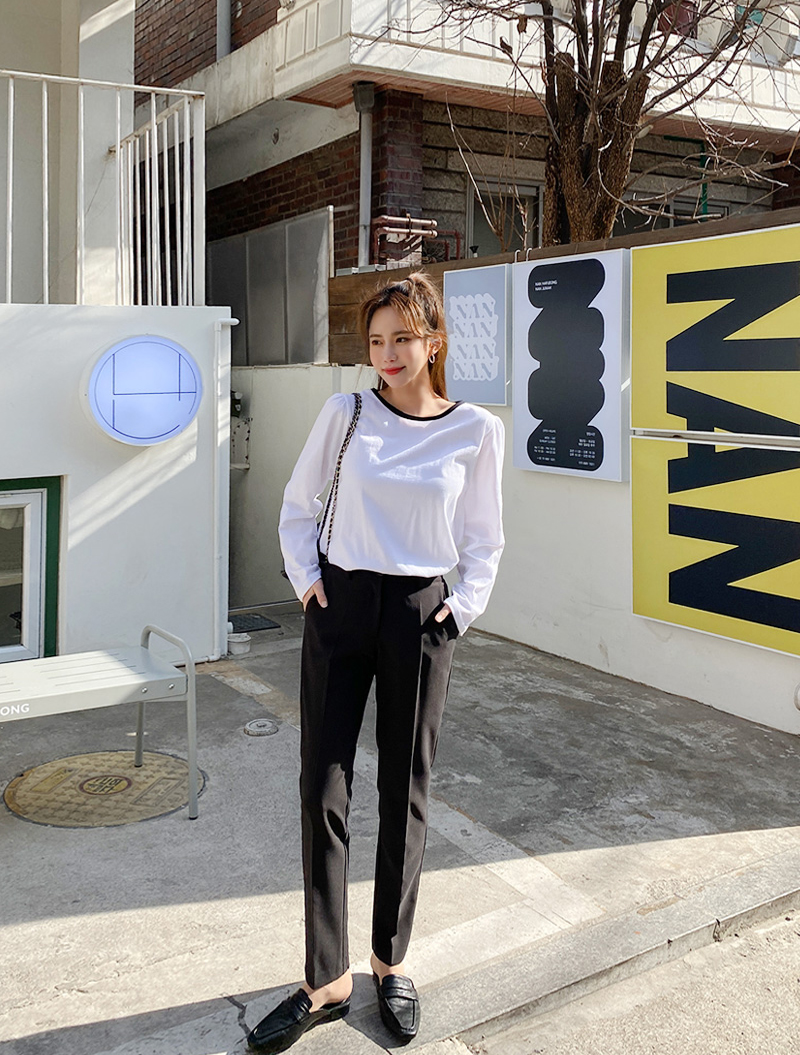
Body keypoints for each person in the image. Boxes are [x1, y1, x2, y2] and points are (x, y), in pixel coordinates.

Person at [246, 272, 505, 1054]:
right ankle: (326, 977)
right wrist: (308, 583)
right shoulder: (347, 412)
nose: (388, 354)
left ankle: (390, 962)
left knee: (405, 787)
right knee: (322, 785)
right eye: (377, 340)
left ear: (435, 342)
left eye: (403, 338)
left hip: (421, 613)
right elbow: (298, 506)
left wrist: (461, 608)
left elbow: (485, 537)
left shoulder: (475, 430)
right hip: (342, 602)